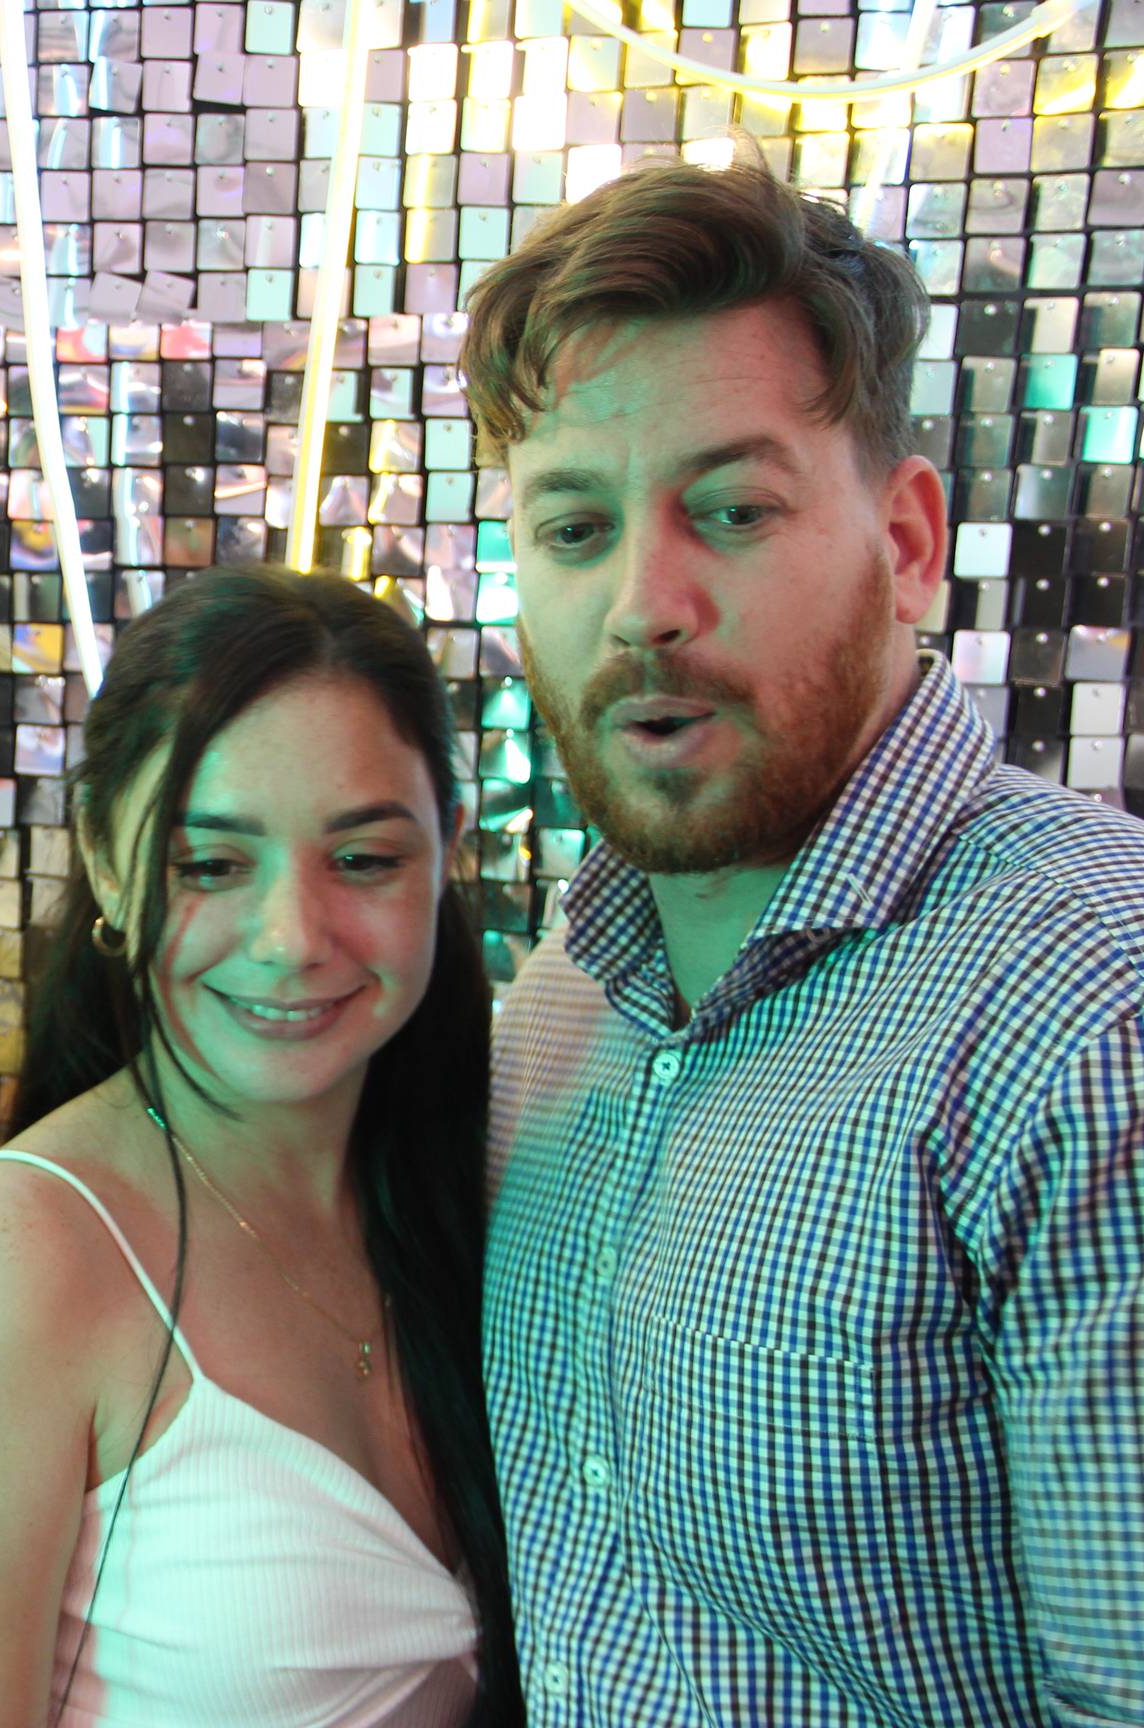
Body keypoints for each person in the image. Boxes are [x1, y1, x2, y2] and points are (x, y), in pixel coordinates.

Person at [467, 152, 1144, 1722]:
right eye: (574, 528)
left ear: (906, 542)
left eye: (732, 510)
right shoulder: (567, 998)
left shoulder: (1090, 1011)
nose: (644, 603)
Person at [0, 566, 520, 1726]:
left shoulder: (482, 1189)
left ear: (448, 851)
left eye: (364, 860)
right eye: (209, 865)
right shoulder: (17, 1260)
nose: (291, 938)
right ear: (110, 865)